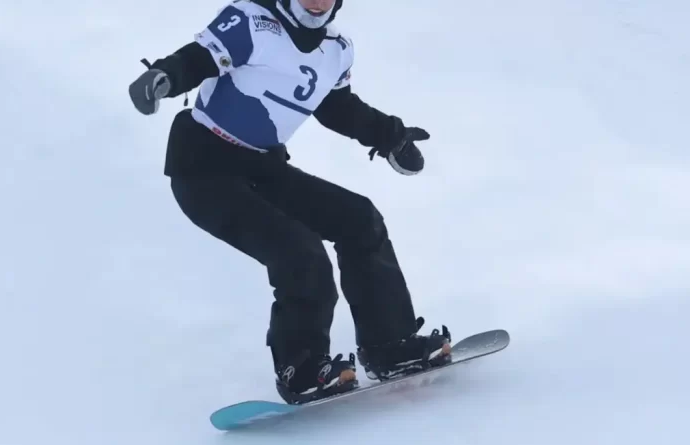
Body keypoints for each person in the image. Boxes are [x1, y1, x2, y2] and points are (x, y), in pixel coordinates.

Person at [128, 0, 453, 405]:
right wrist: (163, 76)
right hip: (203, 171)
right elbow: (198, 60)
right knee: (300, 251)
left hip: (263, 169)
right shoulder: (251, 19)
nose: (315, 2)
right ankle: (300, 369)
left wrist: (390, 137)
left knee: (359, 219)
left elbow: (336, 108)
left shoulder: (336, 49)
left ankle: (390, 345)